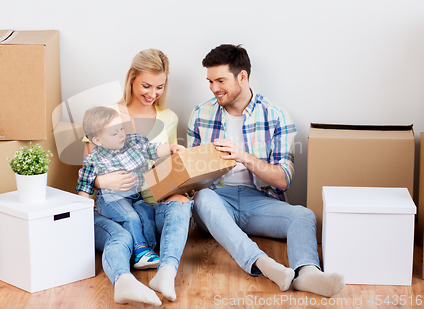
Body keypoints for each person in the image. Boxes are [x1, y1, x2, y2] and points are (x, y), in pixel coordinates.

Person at [188, 44, 345, 297]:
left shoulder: (276, 116)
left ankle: (308, 273)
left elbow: (283, 180)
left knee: (303, 215)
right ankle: (262, 263)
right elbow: (192, 176)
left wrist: (242, 156)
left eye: (220, 80)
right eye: (210, 81)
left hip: (259, 202)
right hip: (217, 201)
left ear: (242, 76)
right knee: (202, 198)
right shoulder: (200, 114)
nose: (214, 88)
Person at [86, 49, 192, 305]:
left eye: (159, 87)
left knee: (181, 204)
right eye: (146, 85)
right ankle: (123, 281)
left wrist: (183, 184)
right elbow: (88, 168)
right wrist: (102, 182)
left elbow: (165, 163)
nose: (152, 94)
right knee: (121, 235)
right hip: (114, 204)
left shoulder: (168, 117)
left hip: (149, 201)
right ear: (131, 78)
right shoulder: (106, 115)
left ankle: (166, 272)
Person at [77, 106, 185, 270]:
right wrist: (82, 214)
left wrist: (170, 148)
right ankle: (141, 251)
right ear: (98, 140)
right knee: (131, 217)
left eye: (121, 128)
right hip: (111, 199)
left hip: (135, 196)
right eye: (114, 133)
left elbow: (153, 150)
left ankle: (144, 248)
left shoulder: (133, 143)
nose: (121, 134)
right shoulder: (94, 159)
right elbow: (84, 186)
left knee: (146, 213)